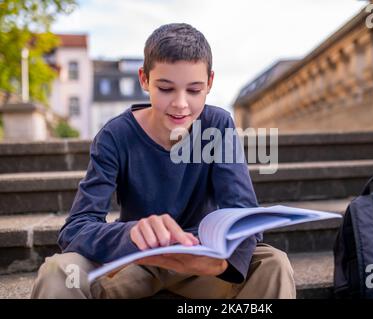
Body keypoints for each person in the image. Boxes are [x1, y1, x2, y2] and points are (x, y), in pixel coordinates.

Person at [31, 23, 295, 299]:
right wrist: (132, 234)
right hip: (134, 259)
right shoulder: (115, 135)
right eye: (166, 88)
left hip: (201, 264)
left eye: (194, 90)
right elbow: (76, 228)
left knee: (272, 264)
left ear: (210, 83)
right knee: (59, 272)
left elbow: (243, 215)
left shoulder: (218, 125)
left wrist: (218, 259)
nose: (181, 104)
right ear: (144, 79)